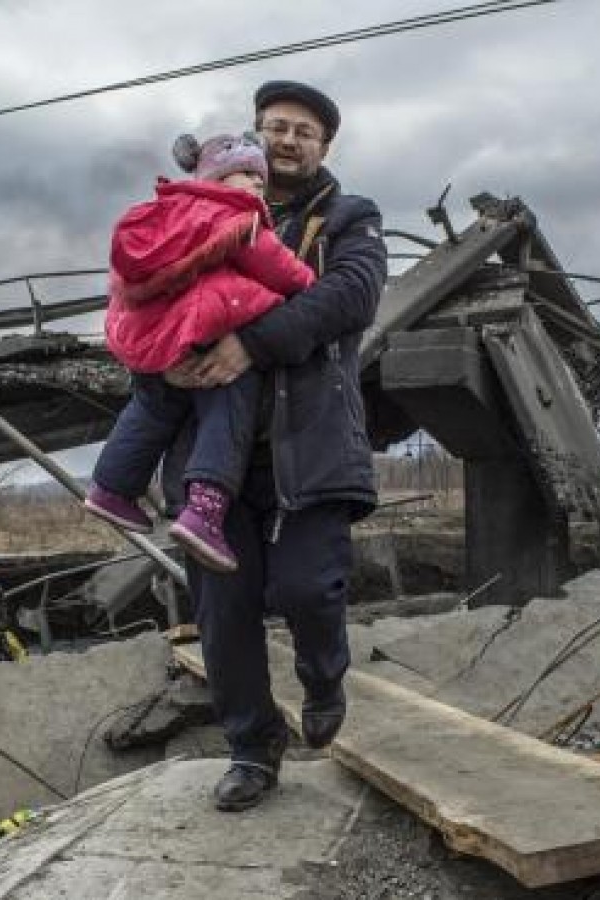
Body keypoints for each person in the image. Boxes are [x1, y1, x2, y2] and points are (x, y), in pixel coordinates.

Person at [164, 81, 387, 811]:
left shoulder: (351, 218)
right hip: (212, 465)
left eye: (304, 132)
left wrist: (249, 343)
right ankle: (252, 750)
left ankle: (324, 678)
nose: (288, 141)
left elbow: (350, 298)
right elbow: (149, 293)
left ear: (324, 148)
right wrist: (160, 351)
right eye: (275, 128)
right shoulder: (202, 210)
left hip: (311, 446)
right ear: (254, 138)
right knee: (223, 618)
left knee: (305, 589)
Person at [84, 132, 315, 574]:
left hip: (157, 338)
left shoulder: (167, 214)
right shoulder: (236, 218)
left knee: (153, 406)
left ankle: (111, 487)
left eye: (260, 179)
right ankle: (205, 511)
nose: (257, 185)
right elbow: (280, 269)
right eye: (248, 174)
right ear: (218, 178)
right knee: (228, 401)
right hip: (207, 326)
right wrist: (310, 286)